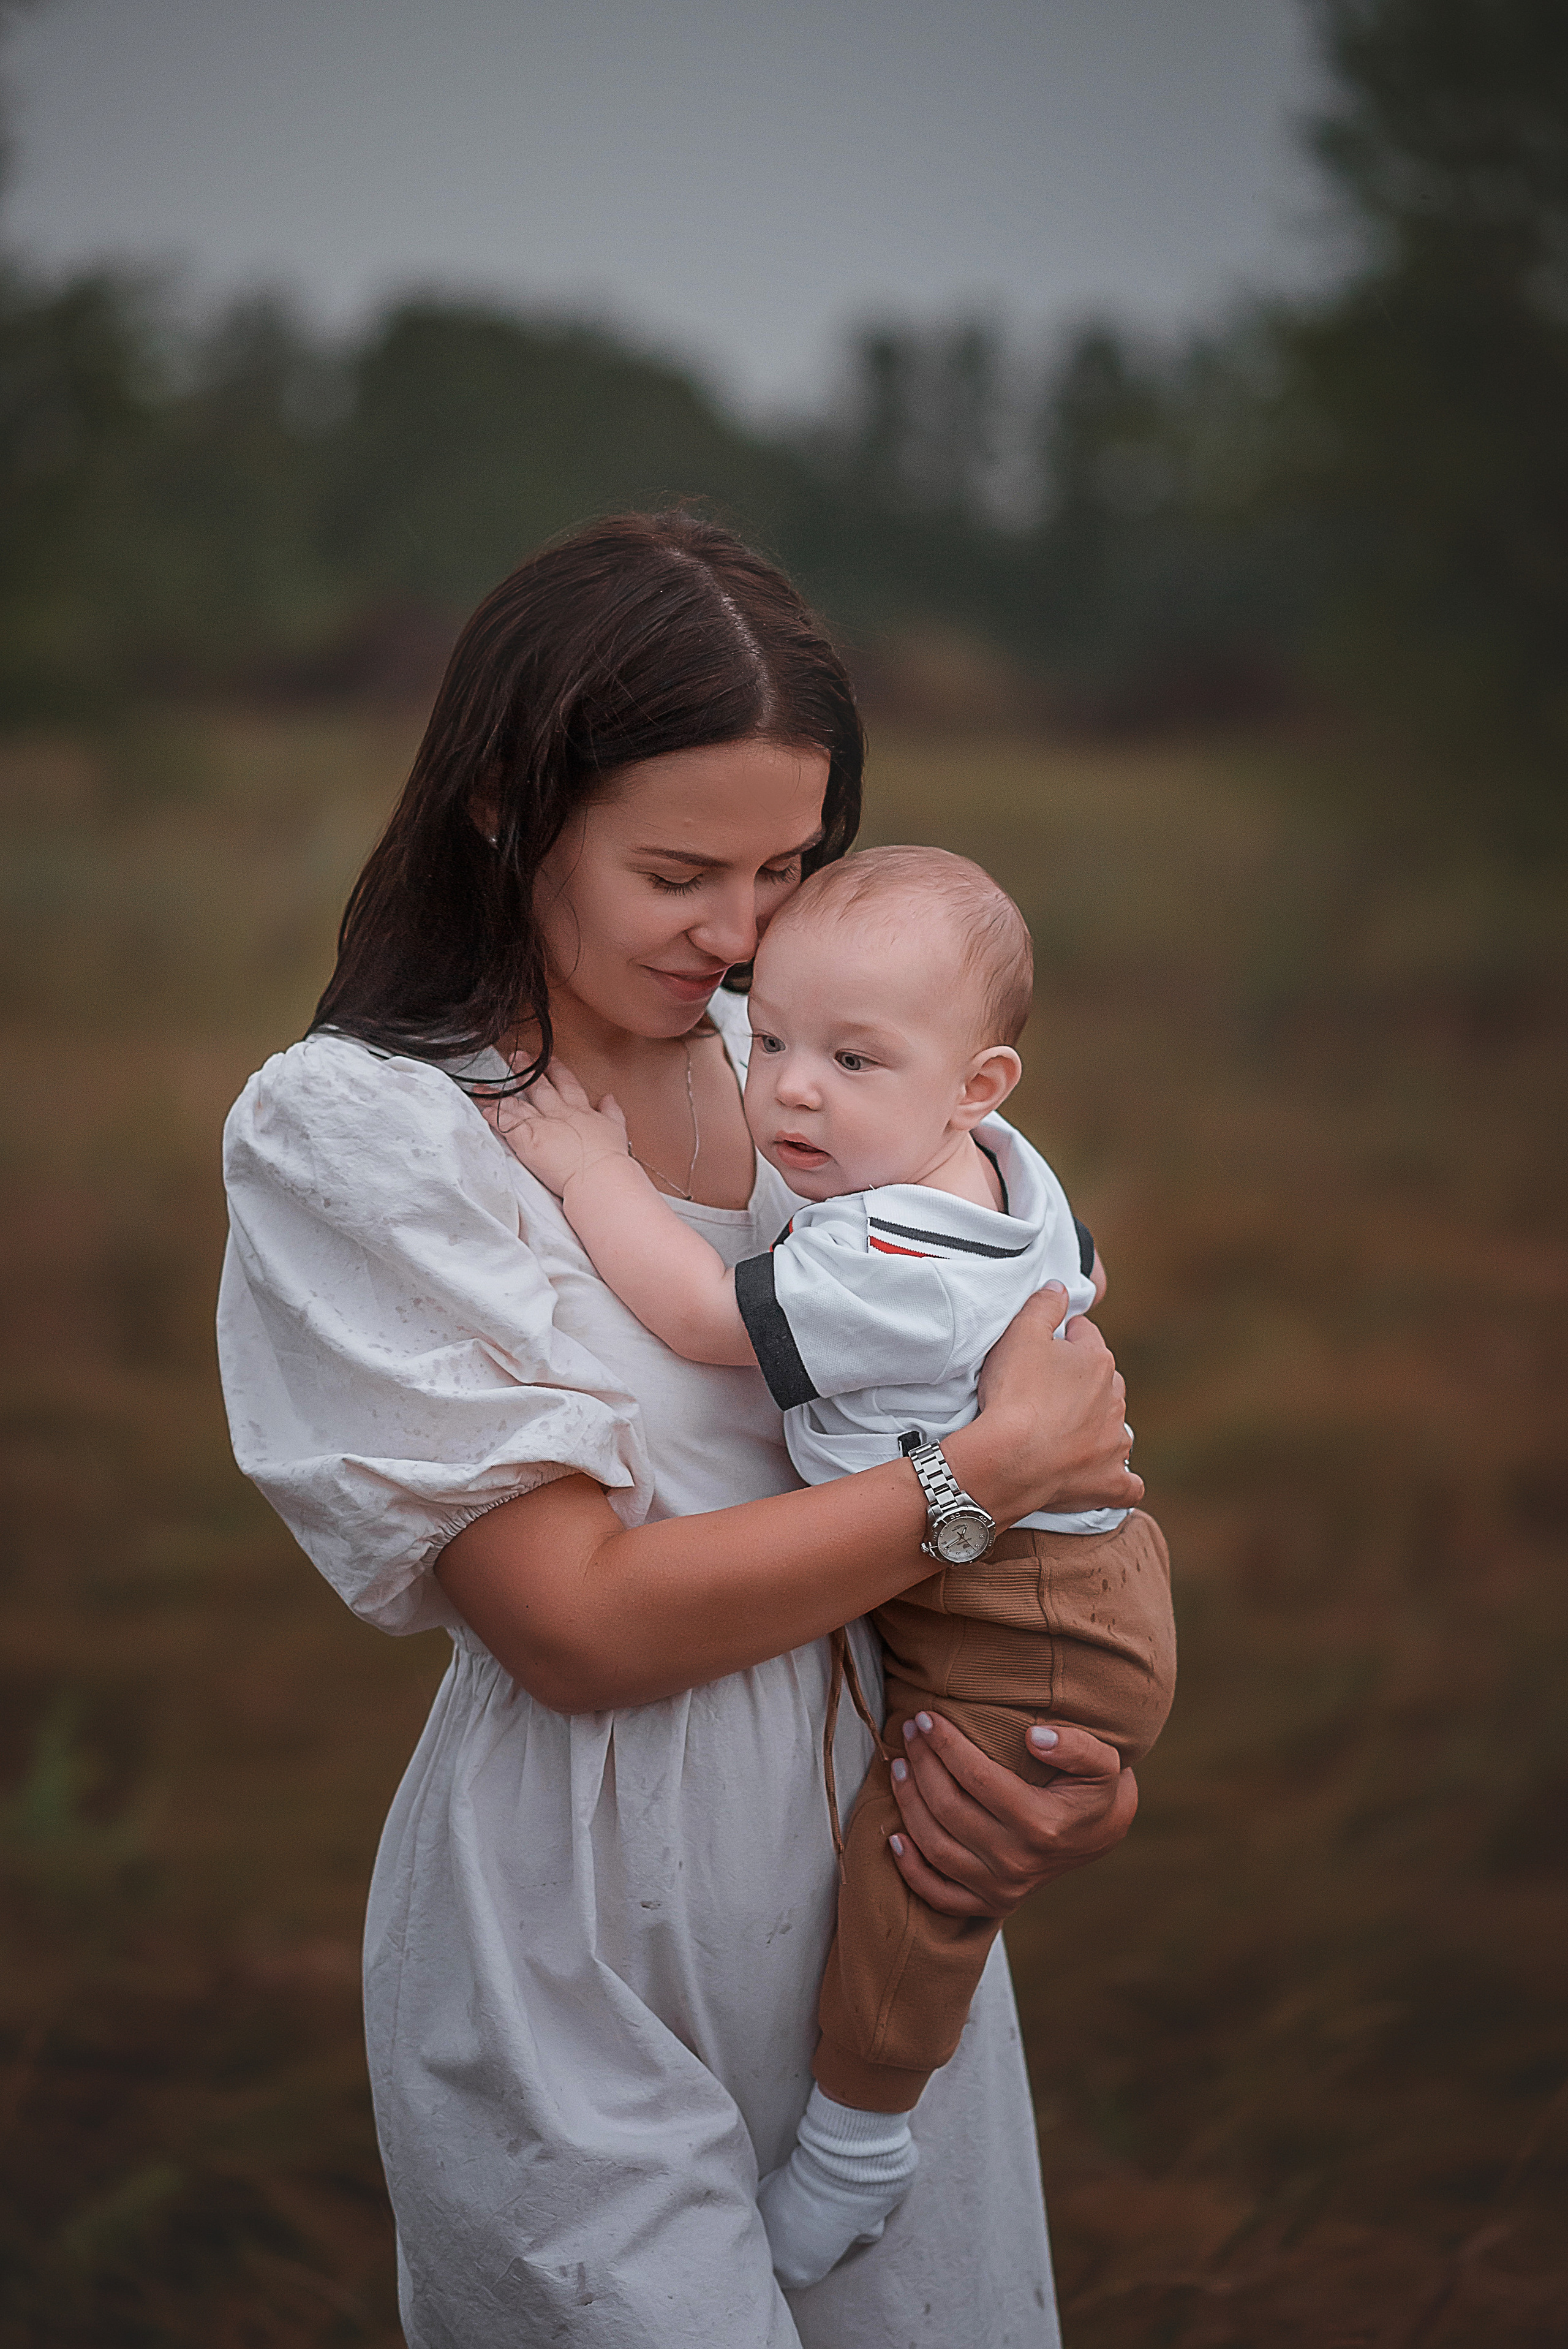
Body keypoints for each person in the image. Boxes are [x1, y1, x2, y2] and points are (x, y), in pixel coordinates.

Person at [216, 510, 1145, 2349]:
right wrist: (979, 1484)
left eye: (789, 867)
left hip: (877, 1885)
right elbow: (575, 1623)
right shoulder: (374, 1134)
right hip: (586, 1925)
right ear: (503, 804)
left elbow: (1006, 1405)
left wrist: (1053, 1761)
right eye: (678, 872)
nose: (740, 932)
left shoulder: (806, 1067)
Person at [486, 841, 1176, 2290]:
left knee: (921, 1861)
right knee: (932, 1825)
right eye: (776, 1034)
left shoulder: (889, 1258)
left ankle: (859, 2139)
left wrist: (586, 1166)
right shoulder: (990, 1170)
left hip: (1019, 1610)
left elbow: (693, 1311)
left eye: (853, 1059)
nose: (791, 1086)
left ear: (975, 1084)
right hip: (1051, 1566)